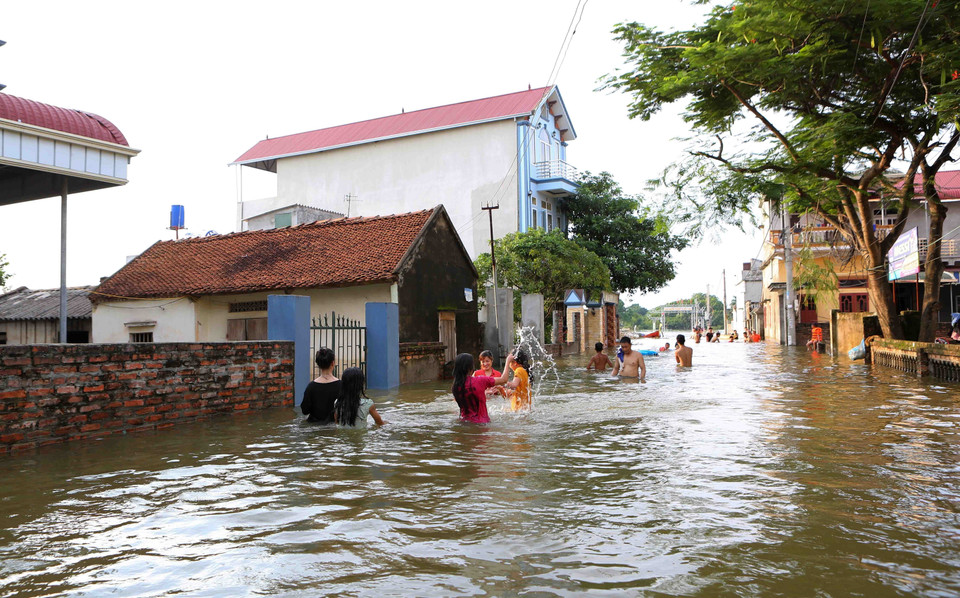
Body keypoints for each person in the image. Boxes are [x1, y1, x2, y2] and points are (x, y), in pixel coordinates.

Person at [453, 353, 510, 423]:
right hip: (482, 422)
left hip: (464, 422)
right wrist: (508, 360)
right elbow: (504, 379)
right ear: (470, 367)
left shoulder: (455, 386)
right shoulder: (480, 380)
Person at [300, 348, 340, 424]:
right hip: (333, 426)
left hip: (314, 425)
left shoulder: (311, 387)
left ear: (318, 364)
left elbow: (305, 410)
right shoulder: (341, 385)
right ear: (332, 363)